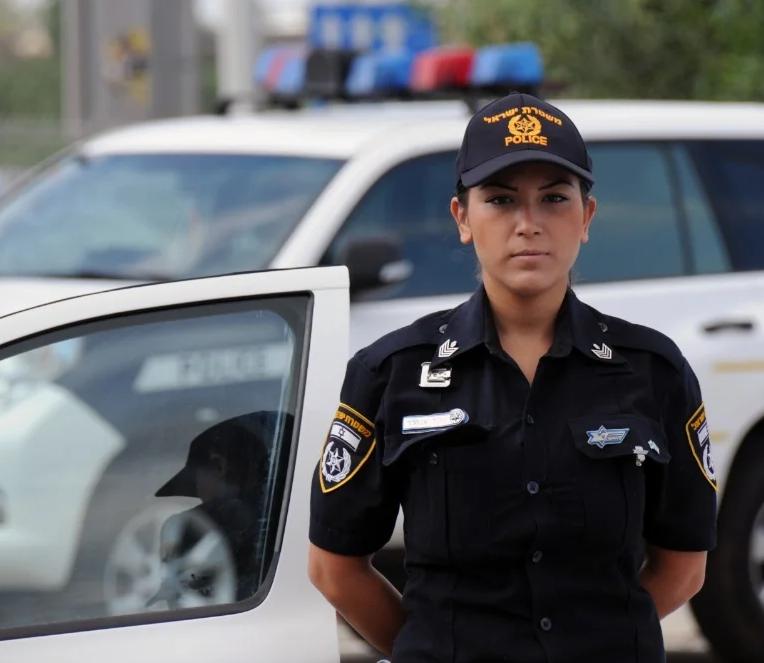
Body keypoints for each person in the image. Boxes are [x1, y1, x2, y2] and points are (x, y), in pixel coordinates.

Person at [307, 92, 718, 663]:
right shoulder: (389, 373)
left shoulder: (654, 371)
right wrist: (431, 650)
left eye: (554, 198)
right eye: (500, 200)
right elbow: (334, 567)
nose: (529, 224)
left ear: (587, 217)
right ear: (462, 219)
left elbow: (684, 565)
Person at [153, 411, 282, 605]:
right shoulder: (280, 513)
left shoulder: (191, 530)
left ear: (218, 466)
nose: (199, 495)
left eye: (196, 482)